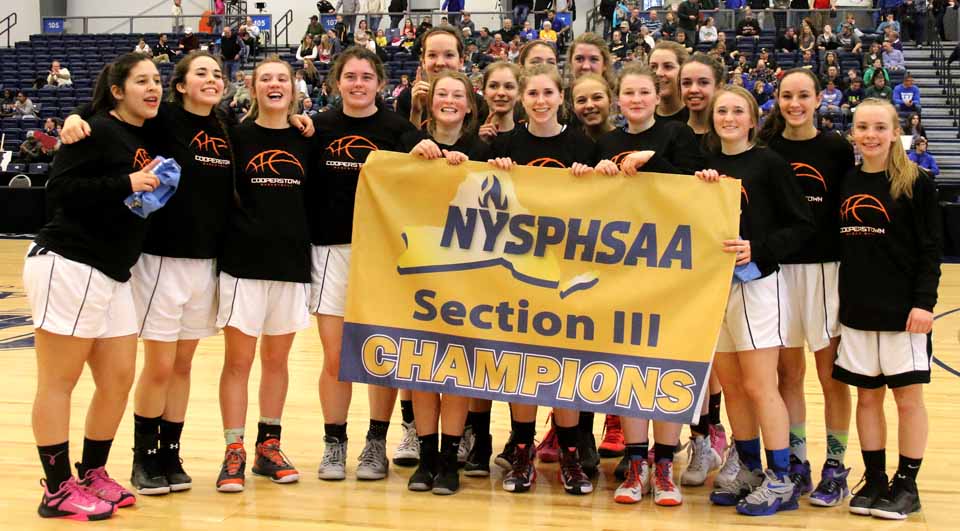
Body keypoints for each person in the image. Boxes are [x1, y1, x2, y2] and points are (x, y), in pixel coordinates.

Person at [25, 52, 164, 521]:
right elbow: (59, 192)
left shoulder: (142, 133)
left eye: (157, 80)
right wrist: (127, 182)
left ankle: (93, 473)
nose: (153, 88)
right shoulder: (97, 129)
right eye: (141, 81)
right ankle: (56, 487)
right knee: (59, 381)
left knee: (118, 379)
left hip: (113, 272)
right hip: (70, 262)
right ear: (118, 90)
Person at [695, 85, 815, 516]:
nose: (728, 117)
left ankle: (781, 477)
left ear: (752, 119)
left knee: (760, 384)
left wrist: (758, 248)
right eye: (721, 110)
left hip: (757, 285)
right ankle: (748, 467)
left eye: (737, 111)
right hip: (713, 288)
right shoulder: (703, 165)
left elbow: (802, 225)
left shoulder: (769, 164)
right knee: (733, 387)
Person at [480, 63, 598, 496]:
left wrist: (593, 178)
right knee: (522, 363)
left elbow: (604, 203)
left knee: (562, 364)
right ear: (523, 99)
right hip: (516, 270)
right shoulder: (507, 143)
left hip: (565, 270)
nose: (541, 100)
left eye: (549, 93)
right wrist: (496, 169)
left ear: (560, 97)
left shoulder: (580, 144)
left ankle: (570, 453)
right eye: (533, 94)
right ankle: (523, 449)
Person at [592, 64, 702, 507]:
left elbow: (697, 188)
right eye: (628, 93)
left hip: (670, 269)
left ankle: (664, 465)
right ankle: (636, 464)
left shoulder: (678, 138)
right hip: (621, 269)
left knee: (664, 366)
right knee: (628, 368)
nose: (635, 100)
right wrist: (591, 175)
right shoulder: (607, 143)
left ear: (657, 98)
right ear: (618, 101)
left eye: (643, 92)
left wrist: (652, 161)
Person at [312, 47, 418, 482]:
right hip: (329, 251)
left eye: (366, 77)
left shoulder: (398, 131)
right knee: (336, 356)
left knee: (378, 355)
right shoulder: (314, 128)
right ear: (337, 82)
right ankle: (334, 443)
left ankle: (376, 442)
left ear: (380, 83)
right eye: (350, 76)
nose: (358, 84)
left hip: (382, 255)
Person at [835, 97, 941, 520]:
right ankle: (876, 479)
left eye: (880, 127)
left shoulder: (917, 183)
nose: (871, 135)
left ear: (896, 132)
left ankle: (907, 484)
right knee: (866, 398)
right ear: (853, 133)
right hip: (858, 311)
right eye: (863, 127)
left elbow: (931, 249)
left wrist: (924, 303)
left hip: (904, 314)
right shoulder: (846, 180)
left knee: (908, 399)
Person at [757, 68, 857, 508]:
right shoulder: (768, 148)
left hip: (825, 270)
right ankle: (796, 462)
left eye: (803, 96)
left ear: (819, 99)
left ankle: (835, 465)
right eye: (786, 96)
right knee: (787, 375)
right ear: (777, 100)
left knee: (831, 374)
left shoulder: (836, 149)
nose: (794, 103)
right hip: (778, 271)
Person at [212, 57, 311, 493]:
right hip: (243, 265)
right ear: (253, 87)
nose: (274, 85)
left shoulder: (311, 137)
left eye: (282, 79)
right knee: (238, 362)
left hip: (291, 266)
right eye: (266, 79)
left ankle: (267, 447)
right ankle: (233, 449)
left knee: (277, 361)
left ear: (293, 88)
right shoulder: (234, 138)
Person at [399, 71, 482, 495]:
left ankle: (449, 457)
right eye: (442, 94)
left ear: (469, 105)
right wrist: (414, 156)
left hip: (468, 277)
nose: (449, 101)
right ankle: (427, 455)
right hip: (418, 272)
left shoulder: (483, 150)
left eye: (458, 95)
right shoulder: (408, 145)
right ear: (430, 103)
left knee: (457, 372)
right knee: (422, 371)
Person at [677, 54, 733, 492]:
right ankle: (699, 436)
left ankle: (724, 439)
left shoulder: (727, 138)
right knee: (689, 355)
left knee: (725, 364)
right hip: (675, 262)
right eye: (687, 83)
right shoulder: (672, 132)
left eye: (702, 82)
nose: (694, 90)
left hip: (721, 264)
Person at [649, 41, 690, 123]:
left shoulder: (697, 117)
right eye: (653, 67)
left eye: (668, 66)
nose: (658, 73)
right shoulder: (643, 116)